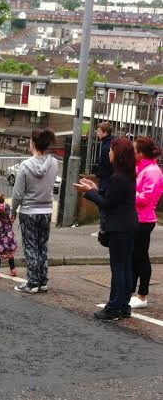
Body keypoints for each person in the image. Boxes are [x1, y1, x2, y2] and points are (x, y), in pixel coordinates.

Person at [74, 137, 138, 320]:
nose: (109, 152)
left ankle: (113, 307)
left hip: (119, 227)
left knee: (118, 268)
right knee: (126, 267)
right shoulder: (127, 175)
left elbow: (108, 204)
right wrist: (95, 188)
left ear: (117, 155)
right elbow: (113, 198)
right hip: (129, 224)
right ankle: (124, 305)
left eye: (111, 150)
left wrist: (89, 193)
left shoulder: (119, 178)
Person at [11, 129, 58, 293]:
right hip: (46, 210)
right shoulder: (53, 163)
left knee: (30, 247)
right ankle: (43, 280)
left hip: (29, 210)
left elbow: (17, 193)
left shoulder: (25, 166)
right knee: (42, 246)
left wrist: (13, 211)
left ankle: (32, 282)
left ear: (33, 143)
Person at [130, 137, 163, 309]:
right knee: (135, 256)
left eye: (134, 150)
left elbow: (146, 198)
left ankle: (142, 295)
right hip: (137, 218)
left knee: (141, 257)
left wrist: (129, 194)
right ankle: (132, 291)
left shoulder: (152, 171)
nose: (132, 153)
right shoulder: (142, 168)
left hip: (144, 219)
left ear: (141, 153)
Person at [92, 121, 115, 236]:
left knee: (103, 204)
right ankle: (104, 228)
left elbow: (106, 165)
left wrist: (99, 173)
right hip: (107, 179)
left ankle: (103, 230)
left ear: (105, 132)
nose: (97, 133)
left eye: (99, 131)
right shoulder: (109, 143)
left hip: (106, 180)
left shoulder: (107, 146)